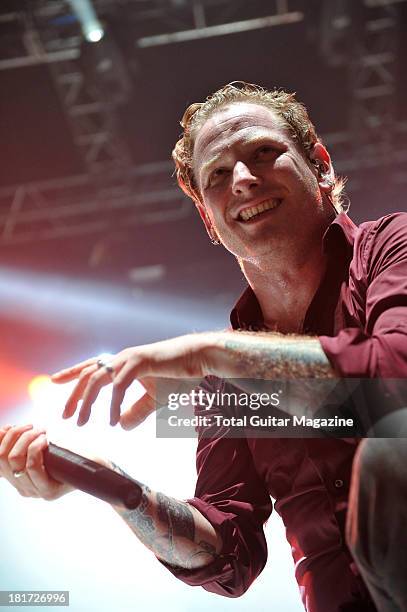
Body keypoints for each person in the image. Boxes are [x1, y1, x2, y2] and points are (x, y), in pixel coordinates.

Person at [1, 82, 406, 612]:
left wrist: (208, 354)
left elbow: (392, 380)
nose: (242, 180)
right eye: (217, 174)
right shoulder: (225, 381)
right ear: (207, 217)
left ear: (321, 165)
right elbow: (230, 554)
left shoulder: (392, 248)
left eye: (263, 152)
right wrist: (114, 485)